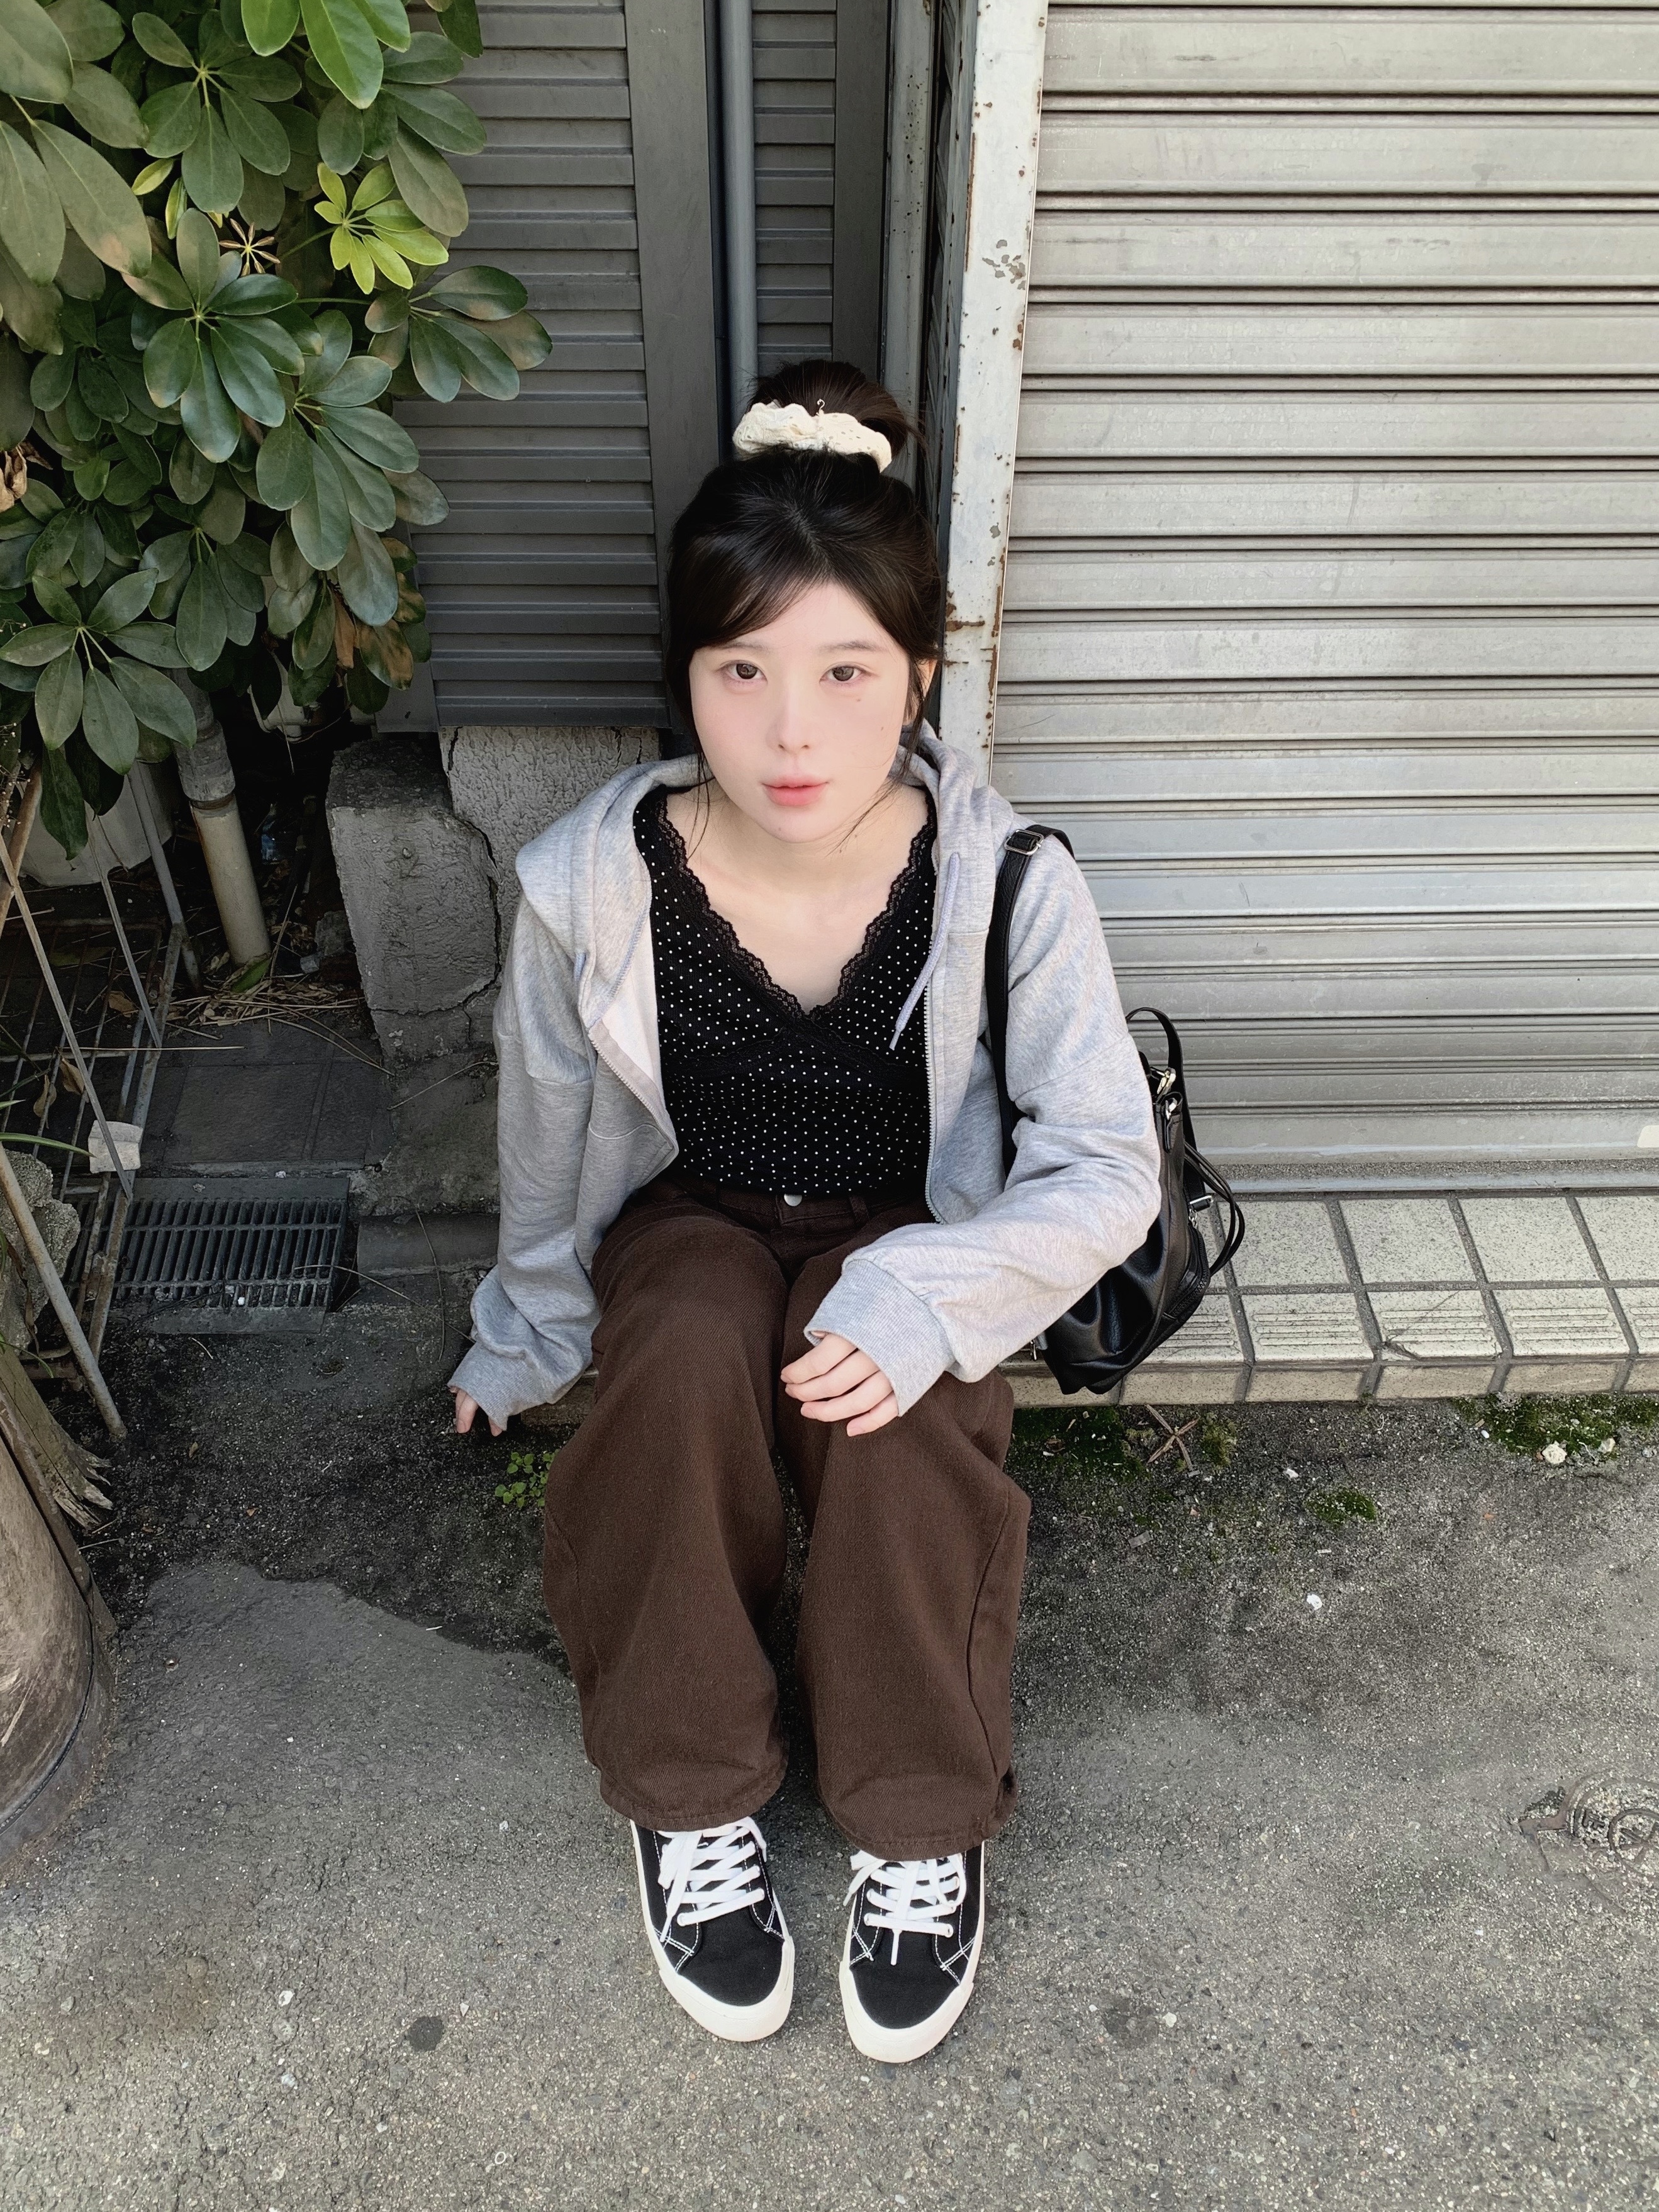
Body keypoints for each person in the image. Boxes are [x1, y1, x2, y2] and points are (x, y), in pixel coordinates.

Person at [451, 360, 1161, 2064]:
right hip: (690, 1209)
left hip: (909, 1223)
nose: (791, 732)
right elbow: (546, 1142)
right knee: (680, 1358)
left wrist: (931, 1298)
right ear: (686, 673)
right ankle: (690, 1790)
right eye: (742, 669)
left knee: (893, 1407)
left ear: (916, 671)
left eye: (846, 671)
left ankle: (920, 1819)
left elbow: (1105, 1161)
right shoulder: (591, 883)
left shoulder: (1006, 881)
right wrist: (526, 1328)